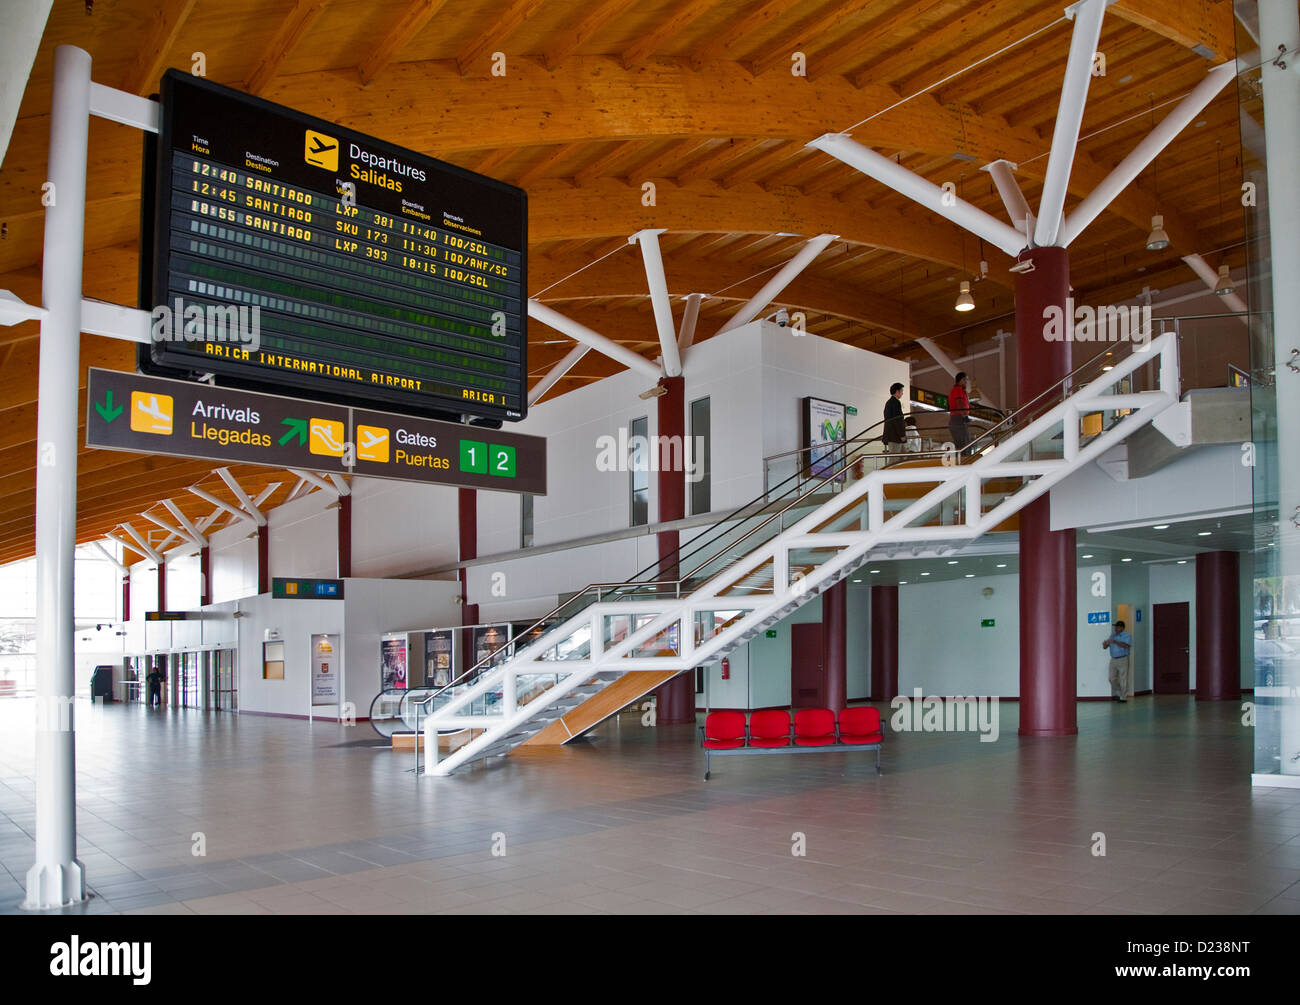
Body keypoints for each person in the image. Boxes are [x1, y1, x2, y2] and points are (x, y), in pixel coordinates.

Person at [1103, 620, 1133, 702]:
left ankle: (1123, 697)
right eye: (1115, 627)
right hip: (1113, 659)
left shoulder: (1127, 636)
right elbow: (1105, 647)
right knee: (1111, 678)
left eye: (1117, 627)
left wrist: (1115, 642)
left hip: (1123, 659)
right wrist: (1105, 644)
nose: (1115, 628)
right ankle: (1120, 692)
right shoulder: (1112, 636)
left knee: (1123, 678)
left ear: (1122, 628)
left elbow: (1127, 646)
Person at [948, 371, 972, 454]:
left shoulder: (956, 390)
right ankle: (965, 460)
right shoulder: (958, 389)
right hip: (959, 419)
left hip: (956, 419)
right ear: (960, 380)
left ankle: (962, 459)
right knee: (965, 443)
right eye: (965, 379)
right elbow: (959, 403)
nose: (966, 382)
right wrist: (965, 416)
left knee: (961, 443)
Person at [882, 382, 906, 453]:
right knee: (895, 458)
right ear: (897, 391)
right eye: (901, 391)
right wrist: (902, 435)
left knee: (899, 456)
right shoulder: (895, 402)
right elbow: (897, 420)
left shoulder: (890, 402)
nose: (902, 393)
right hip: (894, 436)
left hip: (892, 435)